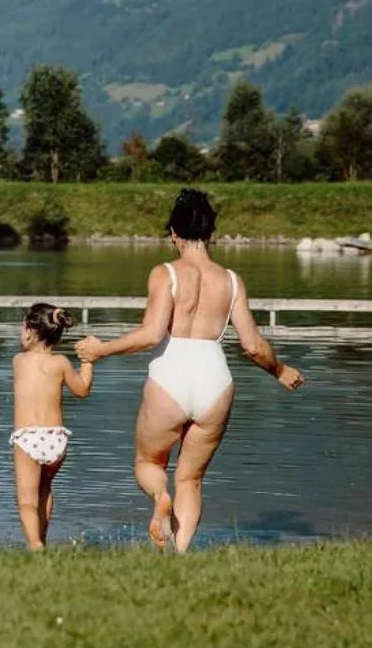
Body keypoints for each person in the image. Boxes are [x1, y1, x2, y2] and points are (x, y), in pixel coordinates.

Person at [77, 189, 303, 552]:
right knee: (191, 479)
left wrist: (100, 350)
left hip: (170, 377)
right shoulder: (231, 281)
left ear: (173, 233)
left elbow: (151, 335)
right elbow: (252, 346)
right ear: (210, 233)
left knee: (148, 462)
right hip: (215, 381)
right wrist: (279, 370)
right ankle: (179, 556)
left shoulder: (165, 273)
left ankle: (160, 497)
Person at [9, 302, 93, 550]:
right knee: (44, 488)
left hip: (28, 438)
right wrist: (88, 360)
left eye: (23, 326)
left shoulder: (18, 360)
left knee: (27, 501)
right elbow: (82, 390)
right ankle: (42, 539)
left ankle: (35, 545)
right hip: (57, 439)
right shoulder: (62, 363)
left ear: (29, 331)